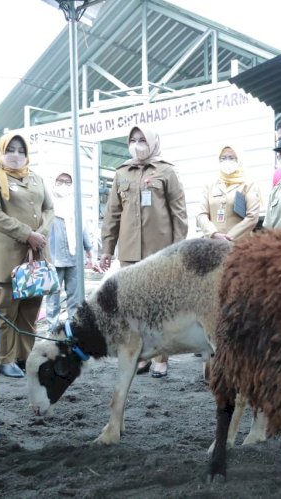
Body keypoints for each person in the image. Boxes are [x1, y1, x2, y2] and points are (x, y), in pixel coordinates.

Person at [99, 126, 188, 378]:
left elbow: (179, 213)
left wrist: (179, 249)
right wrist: (107, 248)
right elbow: (112, 214)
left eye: (142, 140)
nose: (137, 145)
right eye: (133, 140)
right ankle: (140, 355)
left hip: (161, 253)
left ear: (152, 143)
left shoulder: (166, 171)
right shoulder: (121, 173)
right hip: (128, 253)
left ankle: (161, 357)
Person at [0, 133, 54, 378]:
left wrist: (39, 234)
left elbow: (49, 209)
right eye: (10, 149)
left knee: (30, 310)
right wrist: (26, 234)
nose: (16, 155)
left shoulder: (36, 178)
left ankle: (24, 358)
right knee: (5, 310)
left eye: (21, 150)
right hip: (5, 254)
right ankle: (5, 359)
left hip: (36, 254)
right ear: (1, 151)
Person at [46, 170, 95, 330]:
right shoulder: (47, 204)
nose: (64, 185)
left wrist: (90, 253)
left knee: (75, 297)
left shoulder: (76, 205)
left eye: (68, 182)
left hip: (75, 258)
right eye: (60, 181)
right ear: (54, 182)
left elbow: (84, 229)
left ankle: (73, 329)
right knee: (53, 297)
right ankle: (52, 330)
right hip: (53, 258)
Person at [196, 145, 262, 241]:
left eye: (231, 158)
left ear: (238, 159)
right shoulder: (209, 185)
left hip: (240, 244)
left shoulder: (248, 184)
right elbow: (201, 214)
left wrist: (228, 237)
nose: (227, 161)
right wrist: (213, 234)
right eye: (223, 158)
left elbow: (252, 217)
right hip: (214, 243)